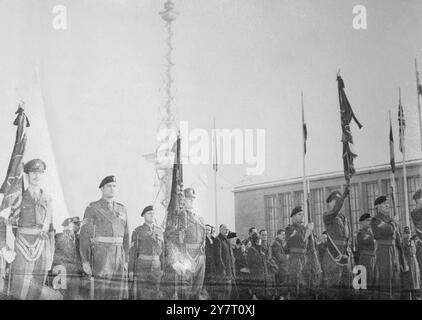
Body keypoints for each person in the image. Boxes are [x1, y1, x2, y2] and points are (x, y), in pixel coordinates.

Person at [9, 159, 55, 300]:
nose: (36, 176)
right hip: (23, 246)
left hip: (42, 246)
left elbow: (51, 229)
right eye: (33, 173)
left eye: (39, 173)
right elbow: (11, 224)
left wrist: (51, 253)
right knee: (20, 285)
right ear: (27, 175)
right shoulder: (19, 198)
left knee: (37, 285)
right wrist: (11, 247)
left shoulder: (48, 199)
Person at [79, 176, 129, 300]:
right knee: (101, 293)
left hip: (119, 257)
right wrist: (85, 261)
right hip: (102, 256)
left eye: (114, 186)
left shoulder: (122, 209)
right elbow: (84, 235)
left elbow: (127, 236)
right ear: (102, 189)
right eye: (108, 186)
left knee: (118, 293)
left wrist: (126, 259)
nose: (112, 189)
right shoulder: (93, 208)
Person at [166, 187, 206, 300]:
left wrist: (202, 258)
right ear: (183, 200)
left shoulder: (200, 219)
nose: (191, 201)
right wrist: (174, 260)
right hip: (185, 256)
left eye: (193, 198)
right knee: (184, 292)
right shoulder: (177, 218)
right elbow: (170, 240)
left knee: (197, 291)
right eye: (189, 198)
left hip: (200, 258)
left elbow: (204, 240)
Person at [371, 195, 407, 300]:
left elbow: (398, 240)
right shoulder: (375, 220)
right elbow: (389, 230)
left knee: (396, 280)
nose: (387, 205)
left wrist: (402, 260)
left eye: (387, 203)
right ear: (377, 206)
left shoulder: (391, 219)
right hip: (383, 251)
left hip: (394, 251)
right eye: (383, 203)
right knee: (386, 281)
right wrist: (394, 222)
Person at [321, 186, 353, 299]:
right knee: (333, 290)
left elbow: (347, 237)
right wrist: (344, 196)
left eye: (340, 201)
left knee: (347, 288)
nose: (340, 203)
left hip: (344, 256)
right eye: (337, 201)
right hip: (332, 257)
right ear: (329, 203)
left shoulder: (343, 218)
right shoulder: (328, 216)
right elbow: (335, 211)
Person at [128, 206, 164, 300]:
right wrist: (131, 270)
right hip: (142, 266)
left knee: (155, 293)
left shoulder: (160, 231)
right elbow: (132, 252)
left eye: (153, 213)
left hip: (156, 266)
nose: (152, 215)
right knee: (142, 294)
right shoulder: (137, 231)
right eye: (149, 213)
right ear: (144, 216)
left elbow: (163, 252)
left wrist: (162, 268)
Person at [285, 206, 314, 300]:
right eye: (299, 214)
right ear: (293, 217)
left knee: (307, 284)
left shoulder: (303, 228)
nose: (302, 216)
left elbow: (310, 245)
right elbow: (302, 242)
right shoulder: (290, 229)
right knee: (296, 283)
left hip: (305, 258)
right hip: (296, 259)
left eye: (302, 214)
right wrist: (309, 231)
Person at [52, 216, 83, 299]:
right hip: (61, 273)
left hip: (75, 275)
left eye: (78, 224)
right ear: (65, 226)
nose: (77, 226)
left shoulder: (79, 239)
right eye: (74, 224)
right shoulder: (58, 237)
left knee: (74, 296)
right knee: (60, 296)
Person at [214, 224, 236, 300]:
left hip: (229, 272)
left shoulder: (226, 240)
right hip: (223, 273)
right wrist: (223, 270)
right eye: (224, 229)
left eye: (227, 229)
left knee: (228, 293)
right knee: (223, 293)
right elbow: (218, 257)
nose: (226, 230)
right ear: (220, 230)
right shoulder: (218, 240)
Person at [356, 213, 375, 298]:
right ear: (362, 222)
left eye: (370, 220)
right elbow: (371, 241)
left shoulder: (371, 232)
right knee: (366, 283)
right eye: (367, 220)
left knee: (373, 282)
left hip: (373, 259)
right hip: (365, 260)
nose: (369, 222)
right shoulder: (361, 233)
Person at [246, 232, 267, 299]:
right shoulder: (252, 250)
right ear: (257, 241)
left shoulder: (260, 249)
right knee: (257, 294)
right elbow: (252, 262)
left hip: (261, 275)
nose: (261, 241)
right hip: (256, 275)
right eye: (259, 239)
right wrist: (261, 256)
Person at [401, 226, 420, 300]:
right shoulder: (402, 243)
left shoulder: (412, 242)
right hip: (407, 263)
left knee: (415, 282)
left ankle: (415, 297)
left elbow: (415, 252)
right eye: (406, 233)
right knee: (407, 284)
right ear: (403, 234)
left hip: (414, 263)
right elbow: (402, 254)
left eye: (408, 233)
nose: (407, 235)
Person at [271, 228, 288, 299]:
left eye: (284, 235)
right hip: (280, 269)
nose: (284, 236)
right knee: (281, 288)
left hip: (281, 269)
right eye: (282, 235)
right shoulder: (276, 244)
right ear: (278, 235)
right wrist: (286, 257)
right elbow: (279, 257)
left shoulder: (279, 243)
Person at [204, 224, 217, 299]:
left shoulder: (213, 239)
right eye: (205, 230)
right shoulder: (202, 239)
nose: (207, 231)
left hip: (212, 265)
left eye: (208, 230)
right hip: (206, 265)